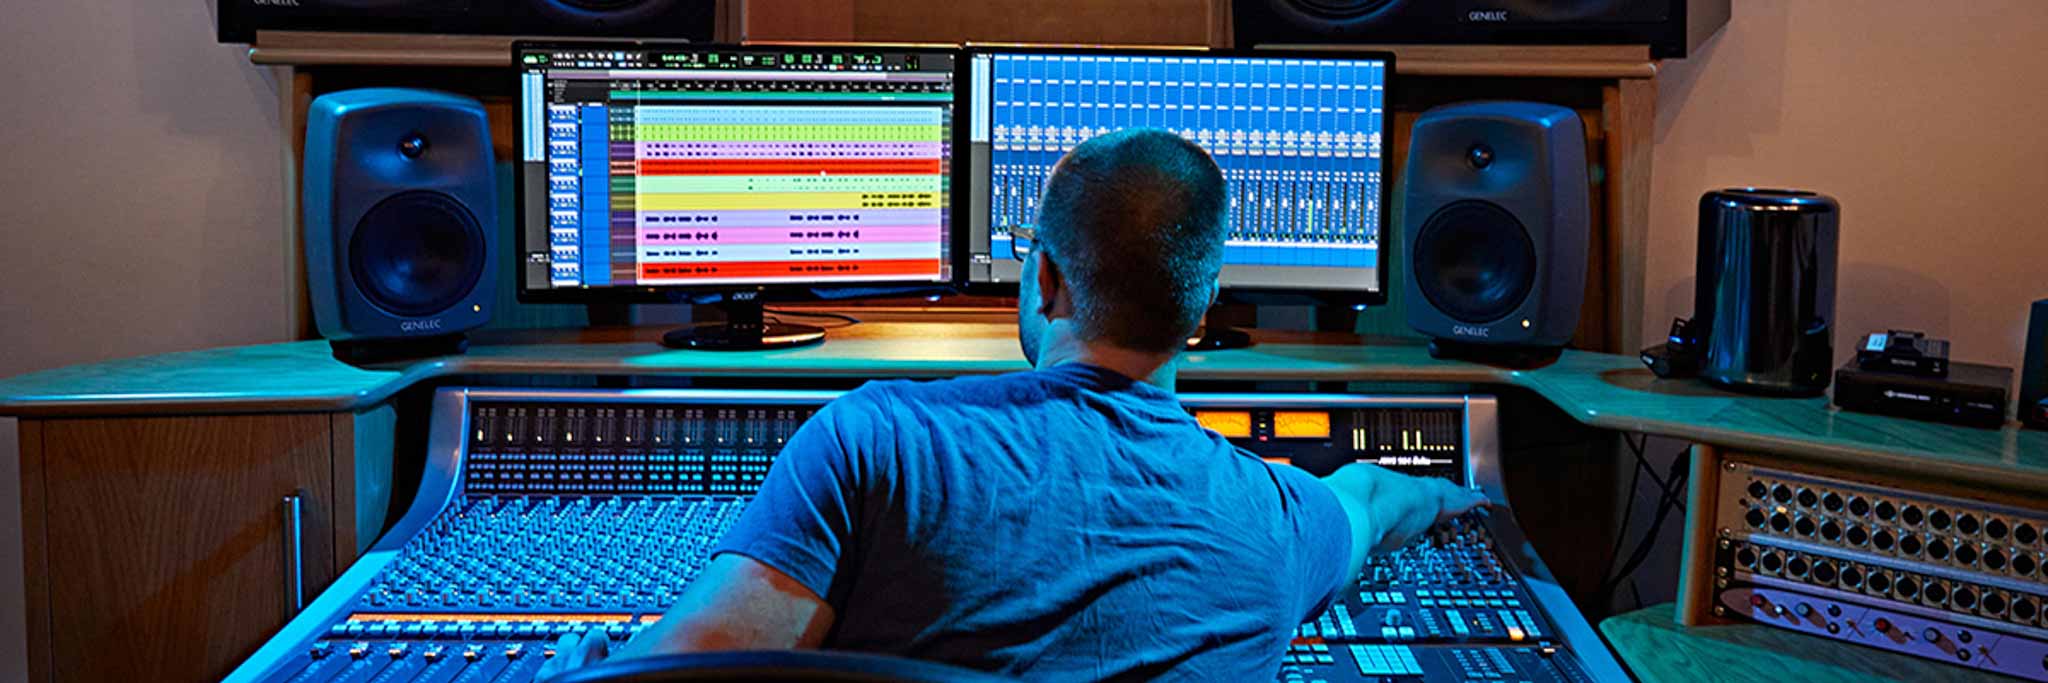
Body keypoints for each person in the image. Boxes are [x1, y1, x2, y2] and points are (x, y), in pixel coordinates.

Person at [540, 128, 1486, 680]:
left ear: (1043, 278)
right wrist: (1457, 499)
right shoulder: (1276, 520)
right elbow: (1374, 500)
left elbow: (691, 673)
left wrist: (588, 665)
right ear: (1204, 306)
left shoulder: (873, 442)